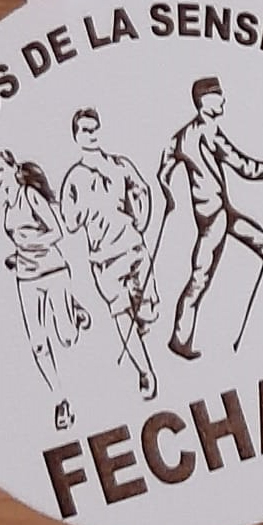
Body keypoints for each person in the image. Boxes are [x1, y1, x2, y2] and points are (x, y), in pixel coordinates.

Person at [158, 77, 263, 360]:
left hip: (216, 211)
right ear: (204, 101)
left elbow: (164, 167)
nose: (223, 99)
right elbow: (246, 167)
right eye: (218, 95)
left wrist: (168, 194)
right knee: (200, 278)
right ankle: (179, 339)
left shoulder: (182, 135)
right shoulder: (209, 133)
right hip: (214, 216)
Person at [0, 149, 91, 431]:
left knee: (67, 337)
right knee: (38, 343)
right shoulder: (6, 208)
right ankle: (61, 401)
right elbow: (21, 241)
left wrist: (29, 247)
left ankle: (74, 310)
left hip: (53, 269)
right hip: (26, 277)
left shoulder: (30, 196)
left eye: (0, 170)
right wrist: (18, 257)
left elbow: (57, 231)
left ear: (13, 167)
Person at [60, 109, 159, 401]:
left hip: (133, 247)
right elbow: (70, 222)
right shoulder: (74, 179)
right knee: (120, 314)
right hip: (103, 259)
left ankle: (144, 323)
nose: (91, 134)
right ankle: (145, 372)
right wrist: (83, 207)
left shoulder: (119, 165)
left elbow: (142, 190)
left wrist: (141, 220)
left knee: (149, 310)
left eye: (94, 128)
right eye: (85, 130)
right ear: (76, 136)